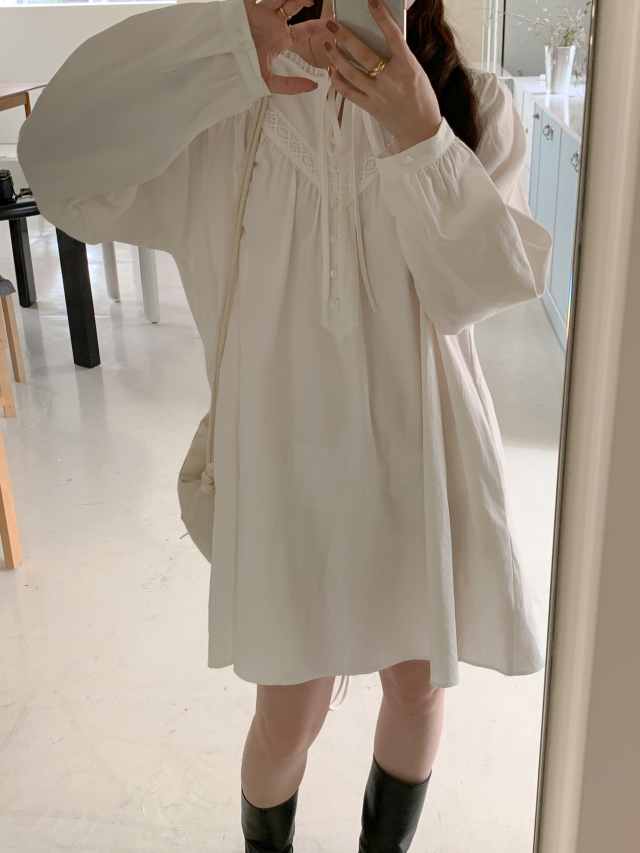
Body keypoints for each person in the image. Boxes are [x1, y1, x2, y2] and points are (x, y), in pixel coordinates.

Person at [18, 0, 553, 849]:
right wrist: (228, 44)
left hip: (425, 462)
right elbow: (55, 163)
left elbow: (482, 289)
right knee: (286, 715)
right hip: (287, 468)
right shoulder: (227, 114)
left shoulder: (473, 100)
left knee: (417, 688)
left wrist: (422, 136)